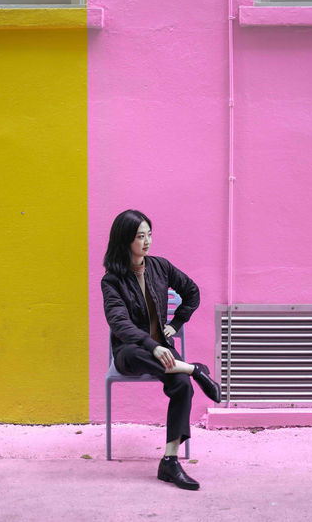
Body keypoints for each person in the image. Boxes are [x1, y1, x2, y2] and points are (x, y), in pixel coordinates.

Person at [101, 209, 221, 491]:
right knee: (137, 353)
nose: (147, 242)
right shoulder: (112, 280)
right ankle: (195, 369)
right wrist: (151, 345)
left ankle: (169, 461)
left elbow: (192, 292)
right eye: (140, 236)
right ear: (125, 240)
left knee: (182, 386)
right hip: (131, 352)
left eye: (149, 235)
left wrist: (176, 323)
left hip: (163, 349)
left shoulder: (161, 267)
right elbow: (119, 323)